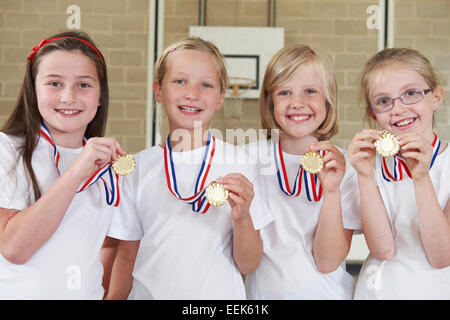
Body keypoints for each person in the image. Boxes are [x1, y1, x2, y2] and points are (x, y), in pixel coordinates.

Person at [105, 37, 272, 300]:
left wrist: (242, 218)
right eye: (180, 81)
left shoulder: (242, 165)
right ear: (158, 90)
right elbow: (126, 258)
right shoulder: (137, 168)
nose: (192, 93)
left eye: (206, 84)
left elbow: (248, 264)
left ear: (220, 98)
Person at [0, 30, 126, 299]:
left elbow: (108, 246)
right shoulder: (7, 149)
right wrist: (78, 169)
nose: (69, 96)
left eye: (83, 85)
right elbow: (14, 248)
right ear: (33, 91)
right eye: (54, 83)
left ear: (100, 95)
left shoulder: (109, 164)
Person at [244, 44, 361, 299]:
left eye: (310, 91)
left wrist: (331, 192)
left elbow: (327, 262)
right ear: (269, 100)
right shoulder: (248, 160)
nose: (297, 103)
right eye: (285, 92)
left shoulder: (346, 167)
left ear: (328, 99)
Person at [349, 48, 450, 299]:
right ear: (373, 113)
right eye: (384, 101)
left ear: (436, 96)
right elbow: (383, 249)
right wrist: (364, 176)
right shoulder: (369, 165)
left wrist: (421, 177)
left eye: (411, 93)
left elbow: (441, 256)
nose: (398, 109)